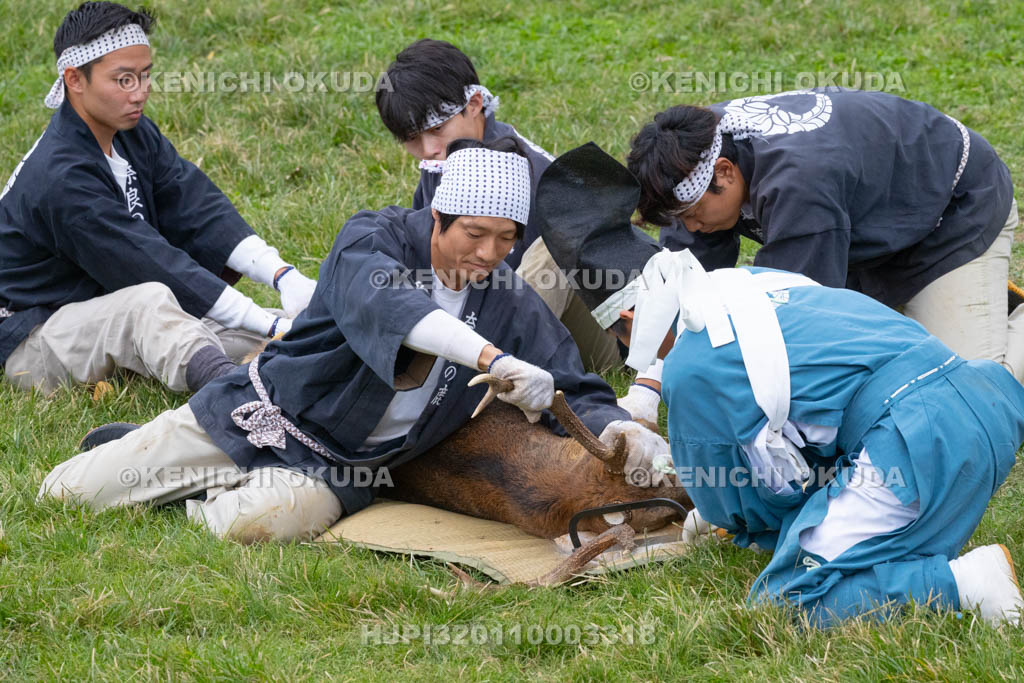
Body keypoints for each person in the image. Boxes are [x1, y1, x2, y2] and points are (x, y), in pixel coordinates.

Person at [38, 138, 668, 543]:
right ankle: (152, 456)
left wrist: (620, 426)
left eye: (506, 239)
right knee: (66, 495)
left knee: (248, 528)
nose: (489, 253)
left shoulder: (507, 298)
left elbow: (575, 384)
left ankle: (192, 495)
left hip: (350, 465)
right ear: (439, 215)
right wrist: (492, 359)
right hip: (262, 413)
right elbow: (395, 309)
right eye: (474, 234)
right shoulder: (371, 240)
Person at [539, 142, 1024, 627]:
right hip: (983, 406)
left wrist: (719, 512)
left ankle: (963, 584)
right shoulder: (752, 282)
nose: (627, 352)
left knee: (785, 601)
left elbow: (753, 502)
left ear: (629, 318)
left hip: (919, 442)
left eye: (621, 339)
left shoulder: (692, 367)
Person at [0, 1, 317, 395]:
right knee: (152, 303)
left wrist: (283, 276)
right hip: (35, 335)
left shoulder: (130, 131)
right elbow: (147, 263)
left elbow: (197, 208)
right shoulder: (60, 178)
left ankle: (310, 368)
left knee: (282, 332)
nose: (139, 93)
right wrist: (269, 325)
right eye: (123, 80)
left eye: (145, 76)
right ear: (74, 80)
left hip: (106, 305)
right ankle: (235, 397)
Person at [627, 88, 1023, 382]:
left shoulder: (799, 186)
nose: (691, 226)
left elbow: (794, 319)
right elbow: (690, 283)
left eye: (694, 215)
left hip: (954, 213)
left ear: (727, 172)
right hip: (869, 226)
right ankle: (972, 299)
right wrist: (651, 381)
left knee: (964, 390)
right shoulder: (692, 151)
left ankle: (965, 284)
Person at [376, 38, 622, 373]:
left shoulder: (535, 175)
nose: (428, 149)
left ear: (475, 103)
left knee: (550, 253)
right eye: (411, 139)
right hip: (485, 321)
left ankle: (478, 375)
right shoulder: (441, 164)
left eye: (436, 129)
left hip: (588, 340)